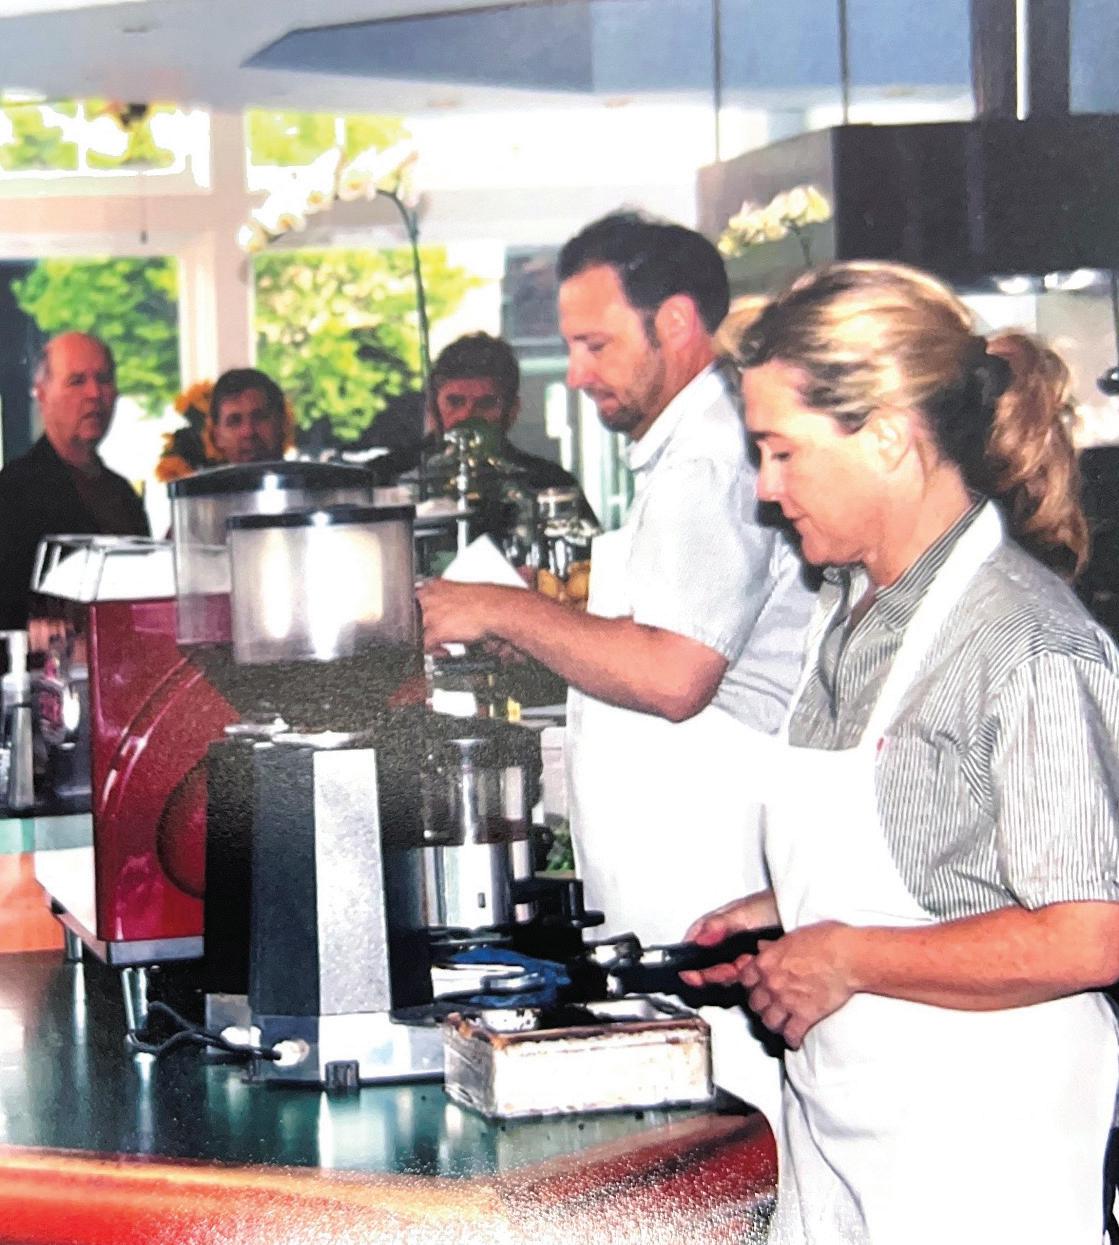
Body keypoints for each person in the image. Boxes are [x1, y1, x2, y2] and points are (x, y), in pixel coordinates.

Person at [681, 260, 1119, 1244]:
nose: (766, 489)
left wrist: (845, 954)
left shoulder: (1026, 641)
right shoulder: (852, 611)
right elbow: (947, 852)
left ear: (885, 438)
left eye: (782, 451)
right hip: (848, 1125)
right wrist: (785, 918)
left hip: (985, 1143)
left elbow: (1090, 934)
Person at [418, 212, 816, 1122]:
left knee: (727, 1140)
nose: (577, 373)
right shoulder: (680, 451)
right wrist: (541, 620)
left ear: (674, 322)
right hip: (676, 878)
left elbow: (674, 675)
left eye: (594, 344)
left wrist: (498, 608)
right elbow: (658, 634)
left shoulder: (711, 456)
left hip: (712, 869)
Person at [0, 332, 149, 629]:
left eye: (104, 379)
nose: (94, 393)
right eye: (77, 381)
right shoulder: (12, 493)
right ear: (42, 394)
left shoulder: (122, 493)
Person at [371, 332, 594, 517]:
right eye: (455, 402)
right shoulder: (385, 478)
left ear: (512, 411)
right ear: (432, 407)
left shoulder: (549, 485)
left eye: (486, 403)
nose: (467, 414)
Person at [156, 367, 291, 482]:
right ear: (216, 436)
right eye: (234, 421)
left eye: (259, 417)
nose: (248, 432)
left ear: (282, 423)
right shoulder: (206, 501)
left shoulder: (304, 489)